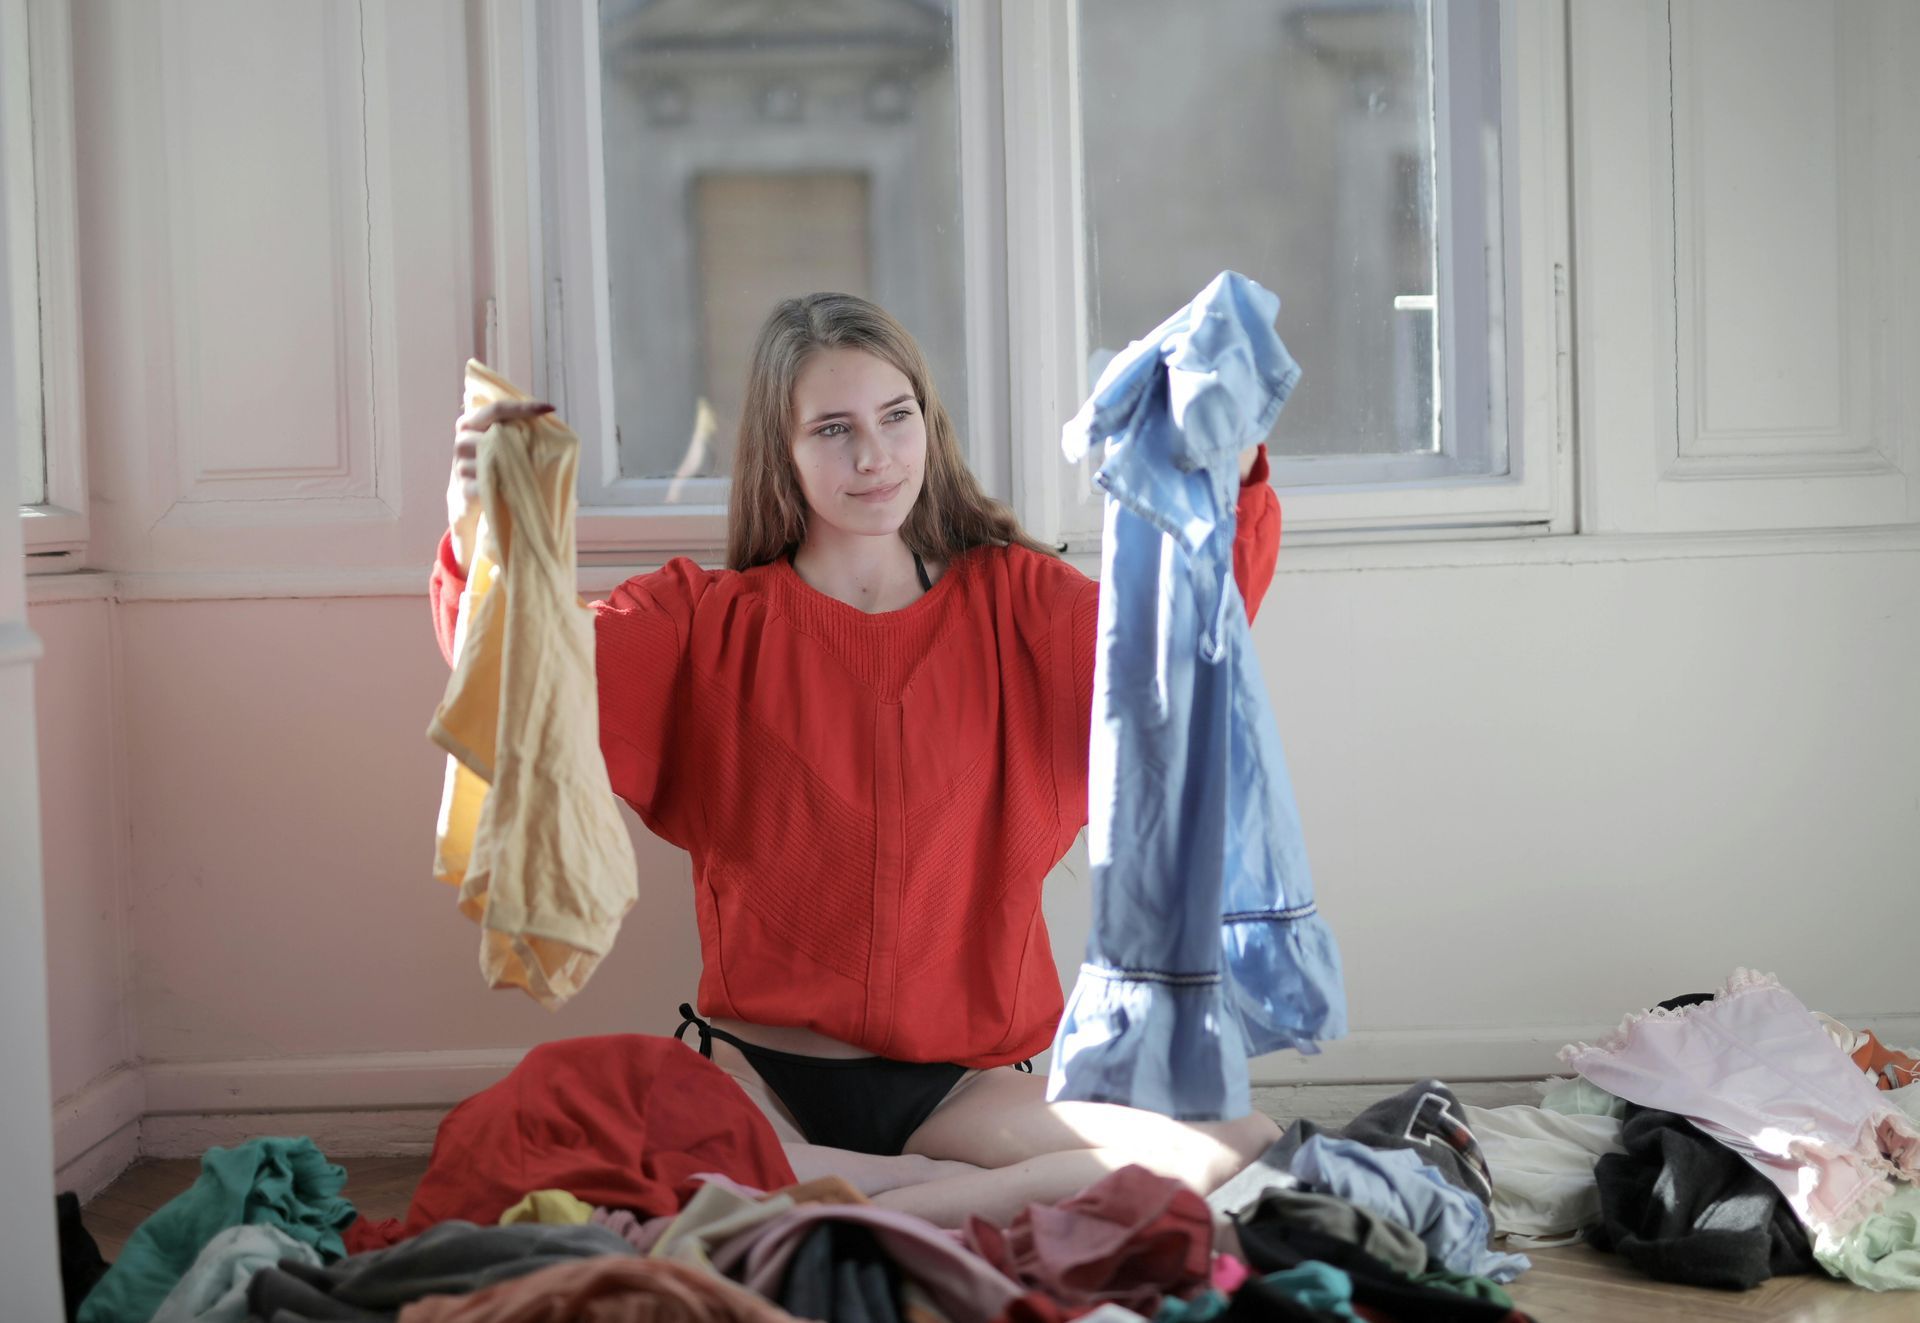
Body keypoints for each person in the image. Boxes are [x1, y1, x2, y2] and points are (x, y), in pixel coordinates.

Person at [432, 293, 1285, 1227]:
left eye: (895, 417)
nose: (874, 456)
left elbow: (1180, 648)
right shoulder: (702, 618)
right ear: (782, 452)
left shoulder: (1019, 600)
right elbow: (527, 674)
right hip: (760, 1070)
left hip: (962, 1090)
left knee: (1239, 1140)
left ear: (929, 422)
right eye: (833, 429)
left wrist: (1231, 469)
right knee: (551, 1146)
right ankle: (910, 1195)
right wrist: (480, 525)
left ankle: (863, 1190)